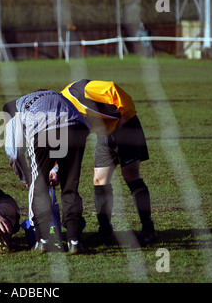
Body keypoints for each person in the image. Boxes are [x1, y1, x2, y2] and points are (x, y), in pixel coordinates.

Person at [61, 79, 157, 246]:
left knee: (131, 176)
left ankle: (148, 229)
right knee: (99, 179)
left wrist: (125, 116)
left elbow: (112, 88)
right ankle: (105, 231)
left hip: (126, 128)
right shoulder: (65, 111)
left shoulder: (77, 90)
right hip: (105, 135)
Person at [3, 90, 90, 254]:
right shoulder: (52, 96)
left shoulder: (13, 109)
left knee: (39, 188)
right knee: (70, 186)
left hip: (43, 130)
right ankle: (75, 241)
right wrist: (55, 169)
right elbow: (60, 124)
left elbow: (13, 153)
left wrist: (27, 178)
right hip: (77, 127)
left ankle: (43, 241)